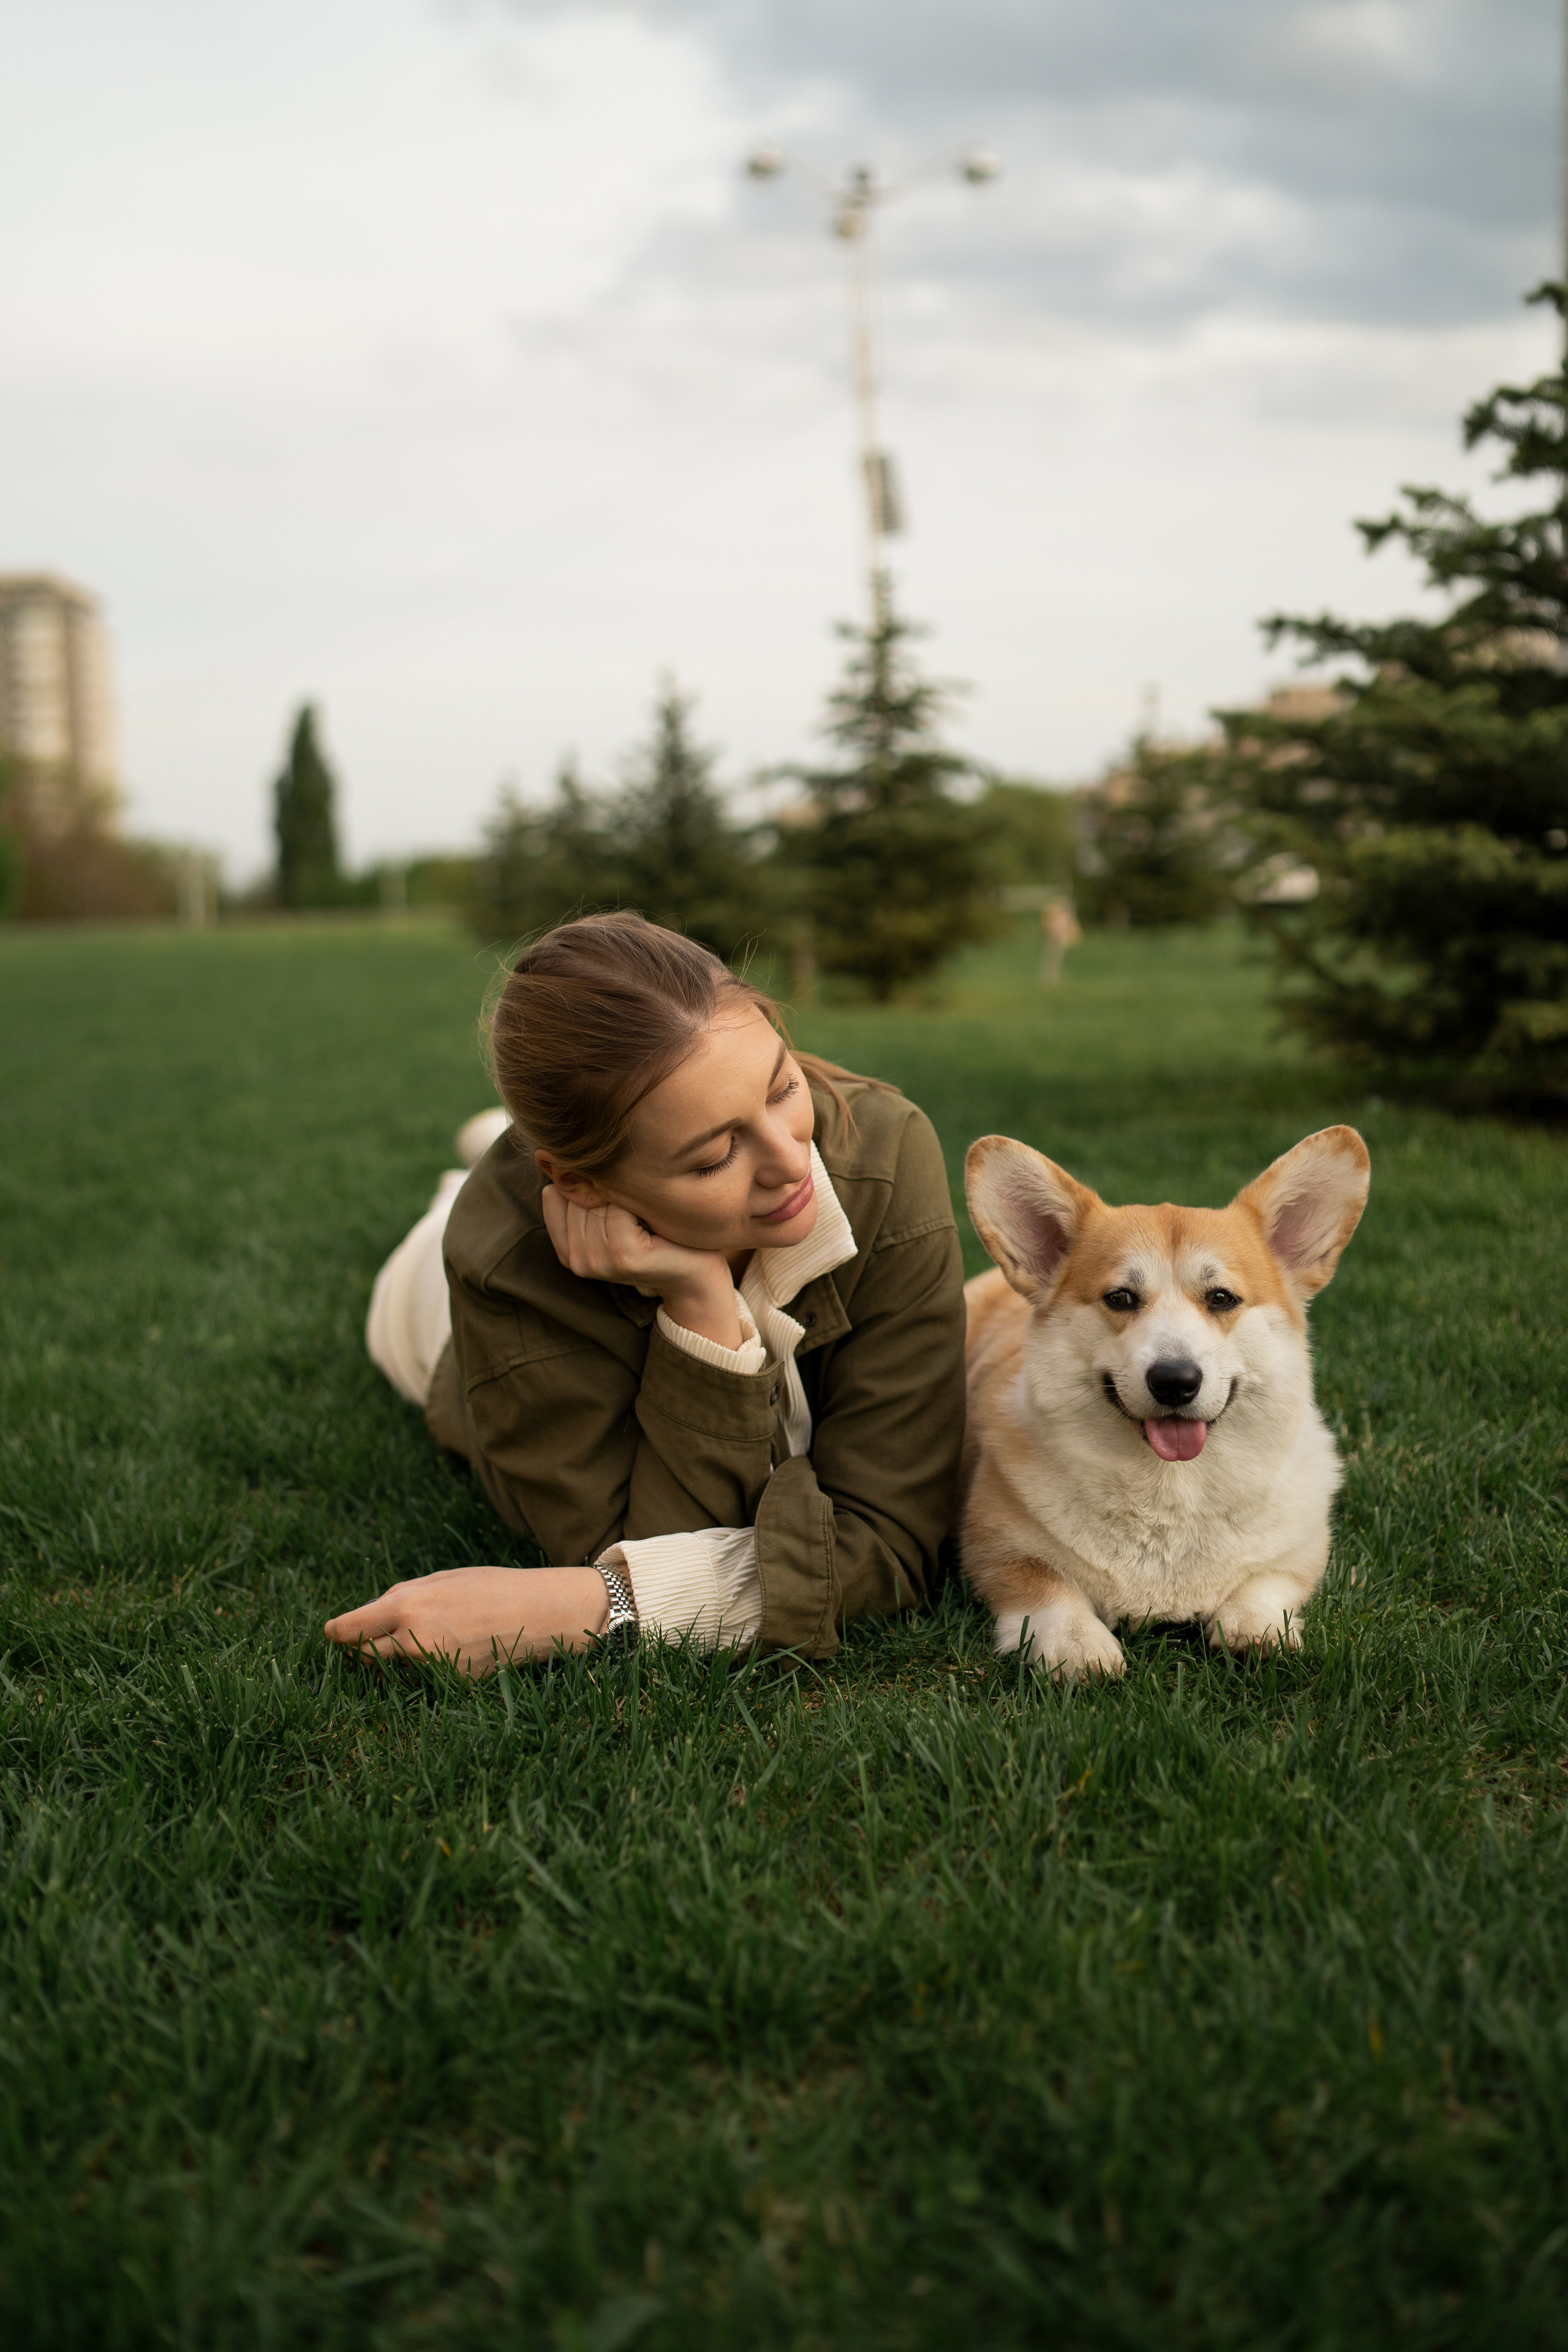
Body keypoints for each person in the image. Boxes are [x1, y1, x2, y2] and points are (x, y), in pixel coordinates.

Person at [326, 911, 967, 1673]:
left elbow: (891, 1542)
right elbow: (633, 1543)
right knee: (441, 1222)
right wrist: (699, 1303)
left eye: (782, 1085)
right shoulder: (501, 1259)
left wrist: (590, 1607)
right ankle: (472, 1169)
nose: (792, 1163)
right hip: (426, 1313)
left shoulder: (886, 1150)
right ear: (581, 1186)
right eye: (715, 1155)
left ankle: (508, 1135)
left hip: (588, 1168)